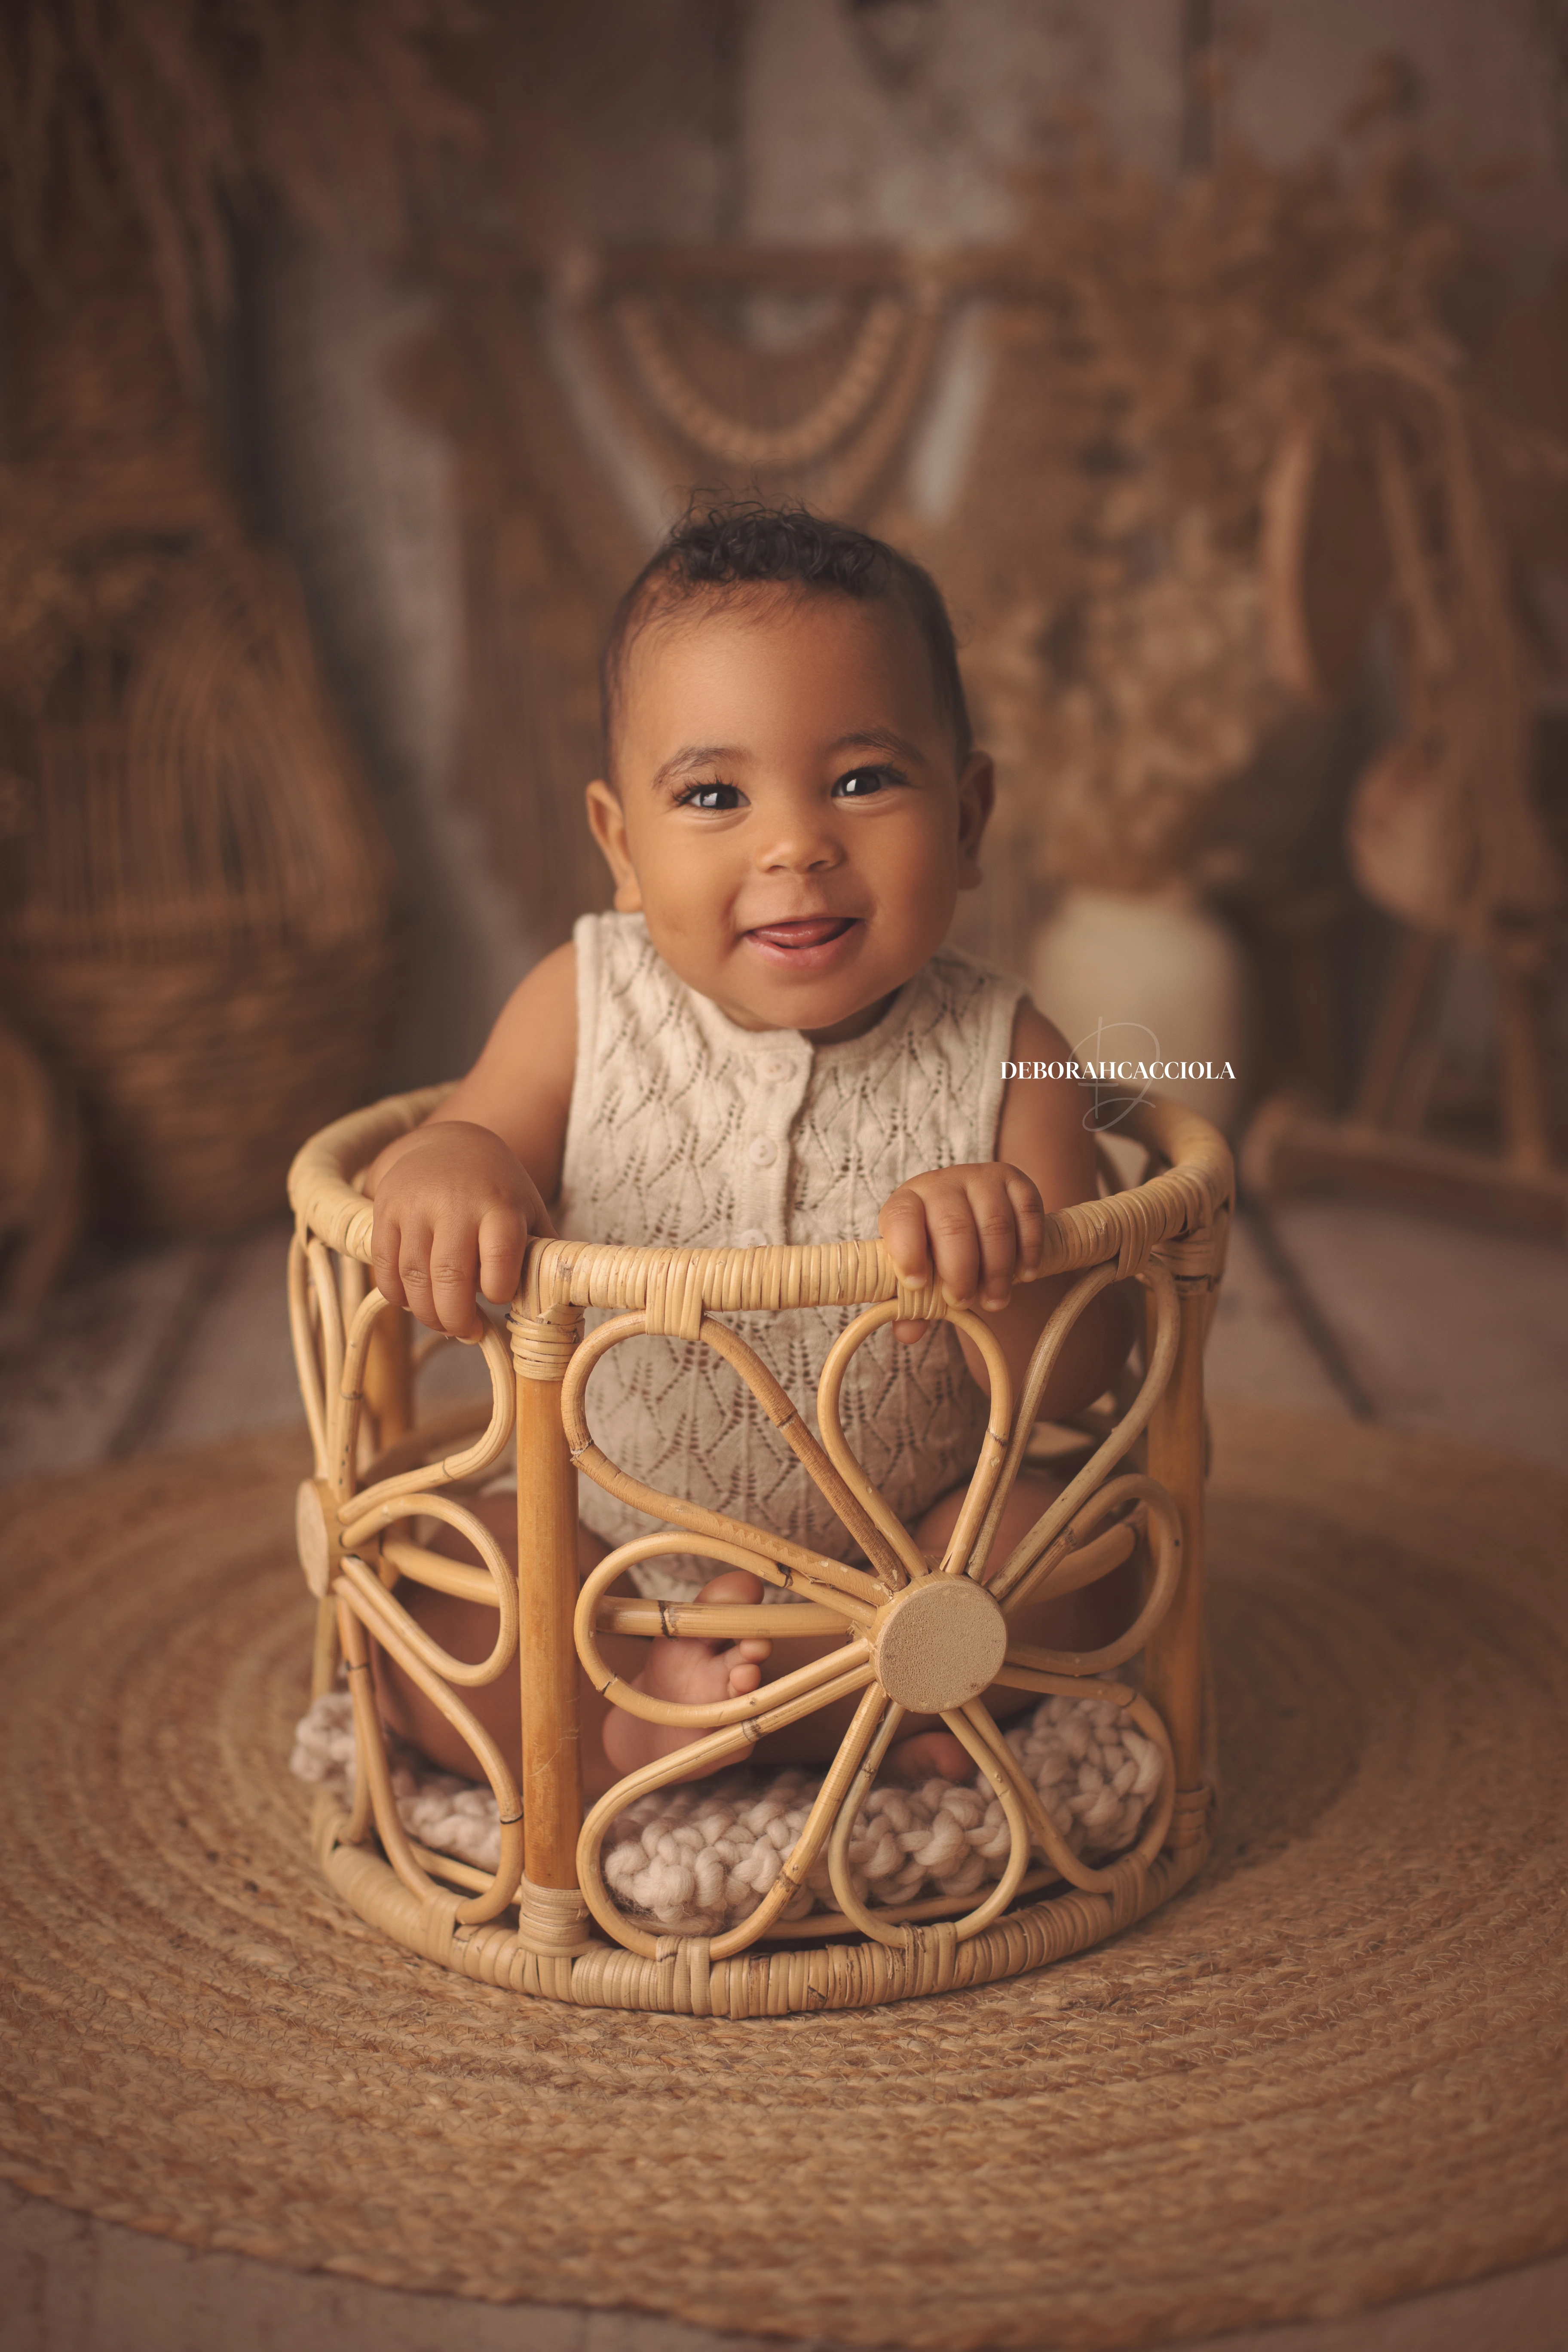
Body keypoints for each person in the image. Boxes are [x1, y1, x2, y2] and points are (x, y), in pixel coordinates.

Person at [366, 502, 1132, 1802]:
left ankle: (787, 1713)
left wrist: (1006, 1254)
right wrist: (449, 1163)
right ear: (621, 845)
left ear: (967, 814)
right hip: (608, 1548)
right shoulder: (582, 998)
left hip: (910, 1568)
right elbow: (473, 1138)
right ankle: (742, 1715)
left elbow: (1086, 1370)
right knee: (431, 1584)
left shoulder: (1015, 1050)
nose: (794, 844)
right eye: (714, 795)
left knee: (1085, 1548)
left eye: (863, 779)